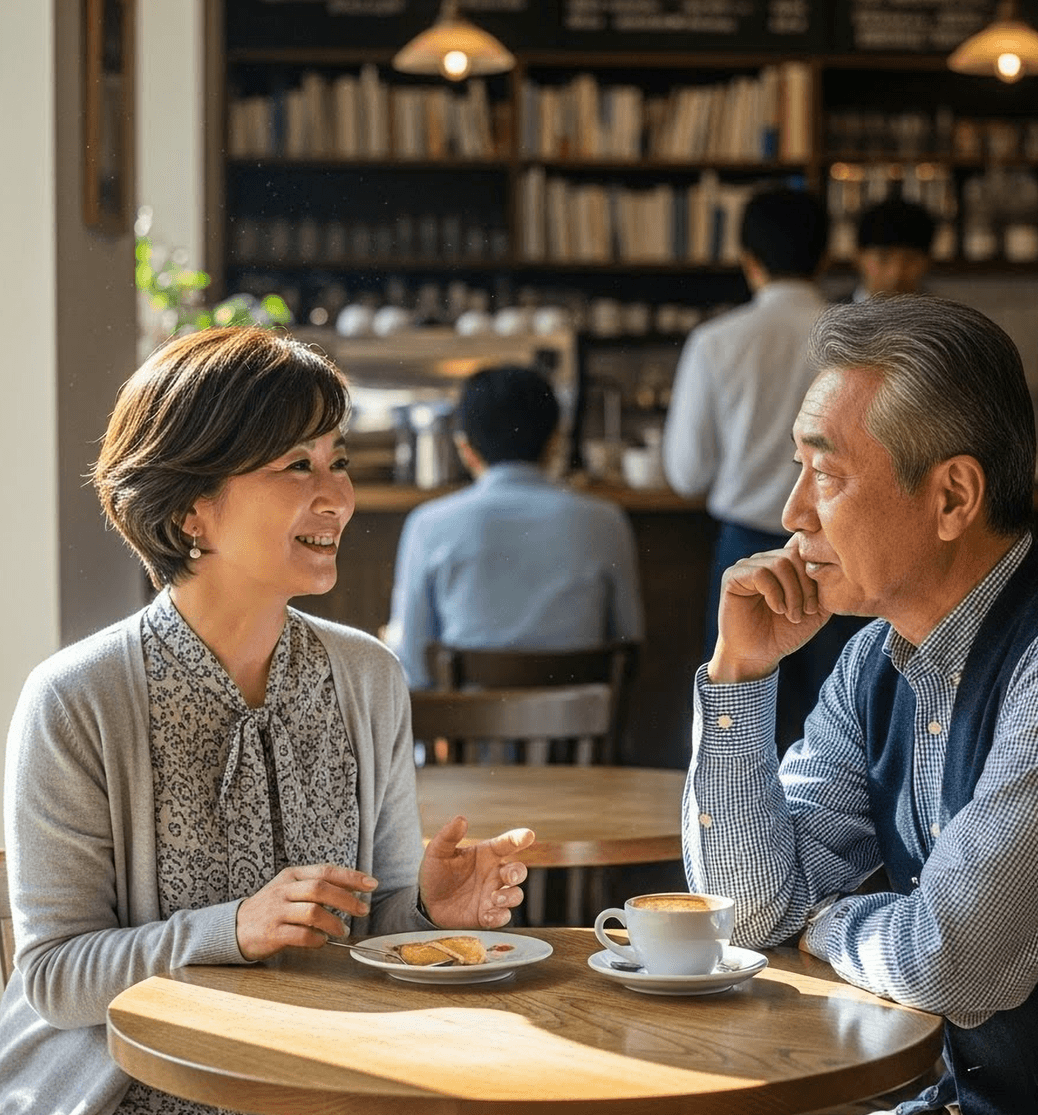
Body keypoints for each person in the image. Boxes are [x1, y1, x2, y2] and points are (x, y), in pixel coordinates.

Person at [636, 294, 1038, 1115]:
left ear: (953, 498)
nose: (790, 512)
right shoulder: (872, 664)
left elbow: (945, 963)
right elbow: (744, 905)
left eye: (828, 474)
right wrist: (738, 677)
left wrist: (821, 922)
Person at [0, 327, 535, 1115]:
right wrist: (229, 930)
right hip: (119, 1103)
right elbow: (53, 978)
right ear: (188, 510)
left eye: (336, 460)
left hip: (318, 1092)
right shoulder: (76, 699)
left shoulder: (367, 678)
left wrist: (428, 905)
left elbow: (376, 932)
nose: (338, 496)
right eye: (295, 467)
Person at [662, 183, 864, 751]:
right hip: (848, 546)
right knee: (844, 728)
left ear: (748, 262)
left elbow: (686, 473)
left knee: (742, 721)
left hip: (746, 549)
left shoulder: (715, 342)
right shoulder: (863, 342)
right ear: (826, 258)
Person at [386, 364, 643, 690]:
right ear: (555, 441)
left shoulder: (427, 525)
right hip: (578, 734)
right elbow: (629, 645)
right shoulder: (607, 522)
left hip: (468, 736)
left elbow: (414, 667)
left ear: (465, 449)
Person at [846, 195, 935, 301]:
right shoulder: (829, 315)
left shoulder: (944, 316)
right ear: (858, 257)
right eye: (883, 258)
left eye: (909, 260)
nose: (895, 274)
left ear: (928, 262)